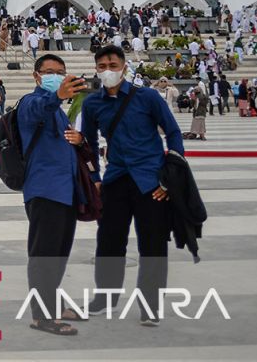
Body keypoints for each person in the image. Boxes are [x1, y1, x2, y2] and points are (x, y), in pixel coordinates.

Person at [81, 44, 184, 326]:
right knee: (109, 241)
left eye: (113, 65)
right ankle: (105, 297)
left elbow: (173, 132)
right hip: (115, 180)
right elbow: (87, 145)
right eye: (101, 66)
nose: (107, 71)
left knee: (152, 244)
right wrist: (95, 179)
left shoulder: (148, 97)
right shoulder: (92, 104)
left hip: (151, 181)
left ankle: (151, 305)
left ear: (124, 67)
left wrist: (171, 177)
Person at [18, 53, 89, 336]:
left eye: (61, 71)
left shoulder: (59, 111)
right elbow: (39, 110)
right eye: (50, 71)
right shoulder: (30, 103)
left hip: (65, 191)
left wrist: (80, 141)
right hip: (44, 190)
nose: (57, 75)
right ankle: (42, 316)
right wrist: (57, 95)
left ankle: (54, 303)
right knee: (43, 255)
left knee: (59, 254)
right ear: (37, 76)